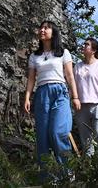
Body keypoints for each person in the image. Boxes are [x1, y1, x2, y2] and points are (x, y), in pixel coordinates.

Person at [23, 20, 80, 179]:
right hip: (41, 94)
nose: (42, 30)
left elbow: (69, 76)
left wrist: (75, 97)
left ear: (53, 32)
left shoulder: (63, 52)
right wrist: (27, 97)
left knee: (58, 132)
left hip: (60, 92)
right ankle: (48, 178)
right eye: (41, 27)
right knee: (42, 137)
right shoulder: (35, 56)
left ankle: (68, 173)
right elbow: (31, 79)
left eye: (46, 28)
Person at [73, 37, 98, 155]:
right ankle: (90, 168)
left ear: (93, 50)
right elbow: (73, 86)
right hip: (81, 107)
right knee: (86, 140)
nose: (84, 46)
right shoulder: (78, 66)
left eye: (87, 45)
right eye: (84, 44)